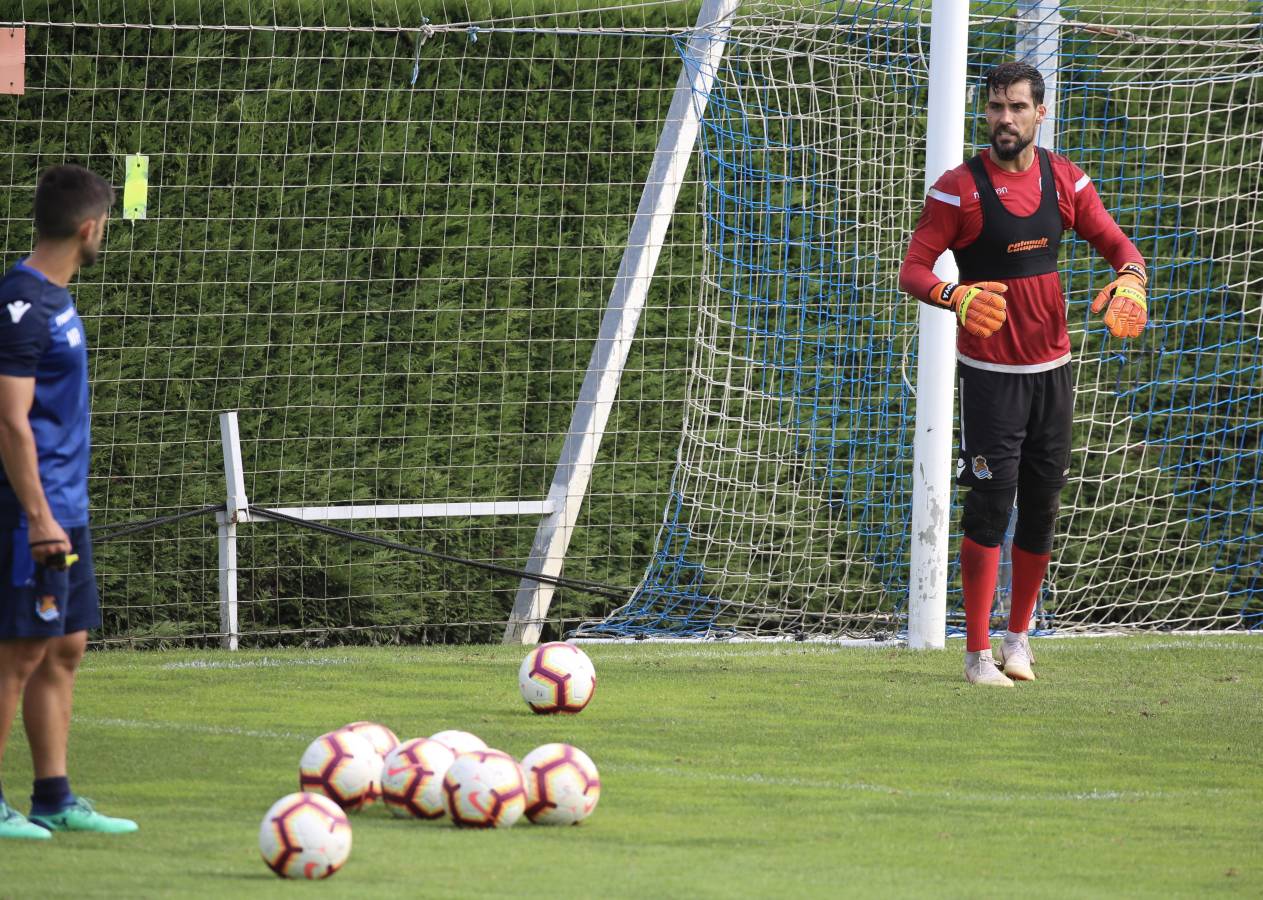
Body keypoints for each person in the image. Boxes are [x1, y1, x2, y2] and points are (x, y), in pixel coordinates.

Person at [899, 62, 1148, 686]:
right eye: (994, 108)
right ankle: (977, 654)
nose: (1003, 119)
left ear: (1040, 113)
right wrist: (953, 297)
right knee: (988, 510)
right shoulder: (958, 189)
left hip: (1053, 374)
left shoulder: (1065, 181)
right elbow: (914, 270)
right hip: (990, 377)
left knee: (1040, 510)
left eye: (1015, 107)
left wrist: (1132, 281)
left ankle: (1018, 641)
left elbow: (1120, 246)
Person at [0, 165, 138, 836]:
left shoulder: (54, 296)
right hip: (33, 514)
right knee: (18, 651)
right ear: (91, 228)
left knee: (66, 646)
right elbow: (9, 420)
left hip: (67, 509)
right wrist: (38, 517)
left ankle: (53, 796)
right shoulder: (20, 303)